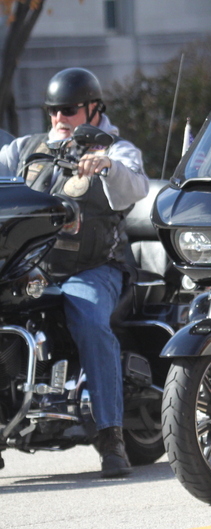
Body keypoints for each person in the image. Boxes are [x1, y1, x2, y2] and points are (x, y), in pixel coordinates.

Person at [0, 68, 149, 476]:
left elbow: (134, 187)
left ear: (92, 108)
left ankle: (110, 435)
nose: (59, 119)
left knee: (87, 318)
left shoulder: (116, 150)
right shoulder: (27, 149)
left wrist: (106, 166)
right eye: (52, 111)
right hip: (33, 268)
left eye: (68, 110)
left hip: (97, 267)